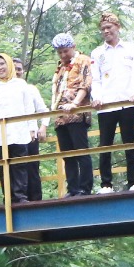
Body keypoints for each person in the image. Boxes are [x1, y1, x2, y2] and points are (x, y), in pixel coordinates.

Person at [0, 53, 47, 204]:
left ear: (8, 65)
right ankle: (8, 198)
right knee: (4, 166)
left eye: (2, 64)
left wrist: (31, 127)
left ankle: (20, 197)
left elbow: (28, 107)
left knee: (20, 165)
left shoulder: (20, 84)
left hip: (19, 131)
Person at [90, 12, 134, 193]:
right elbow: (95, 79)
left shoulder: (131, 49)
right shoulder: (97, 53)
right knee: (105, 144)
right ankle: (105, 183)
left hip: (127, 102)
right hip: (106, 105)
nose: (106, 31)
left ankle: (133, 181)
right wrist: (96, 97)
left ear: (117, 27)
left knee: (130, 142)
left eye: (109, 27)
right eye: (103, 28)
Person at [49, 34, 94, 197]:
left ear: (73, 47)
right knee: (67, 155)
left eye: (65, 51)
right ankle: (72, 188)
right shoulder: (60, 67)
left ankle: (85, 187)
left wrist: (75, 104)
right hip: (60, 116)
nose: (62, 55)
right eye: (59, 52)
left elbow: (86, 84)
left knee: (81, 151)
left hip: (77, 114)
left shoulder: (83, 60)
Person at [12, 58, 45, 202]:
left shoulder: (31, 89)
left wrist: (43, 126)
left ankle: (36, 202)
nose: (17, 72)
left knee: (32, 169)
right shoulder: (3, 90)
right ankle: (17, 200)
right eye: (14, 69)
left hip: (30, 134)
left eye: (19, 69)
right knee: (16, 169)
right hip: (13, 136)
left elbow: (43, 110)